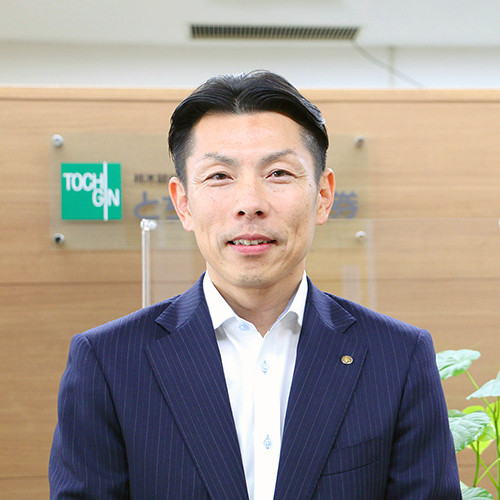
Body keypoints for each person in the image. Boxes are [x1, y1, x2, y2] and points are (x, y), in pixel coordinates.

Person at [49, 71, 461, 499]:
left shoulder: (398, 357)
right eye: (219, 176)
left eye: (278, 173)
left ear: (323, 195)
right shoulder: (108, 363)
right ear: (183, 203)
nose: (250, 204)